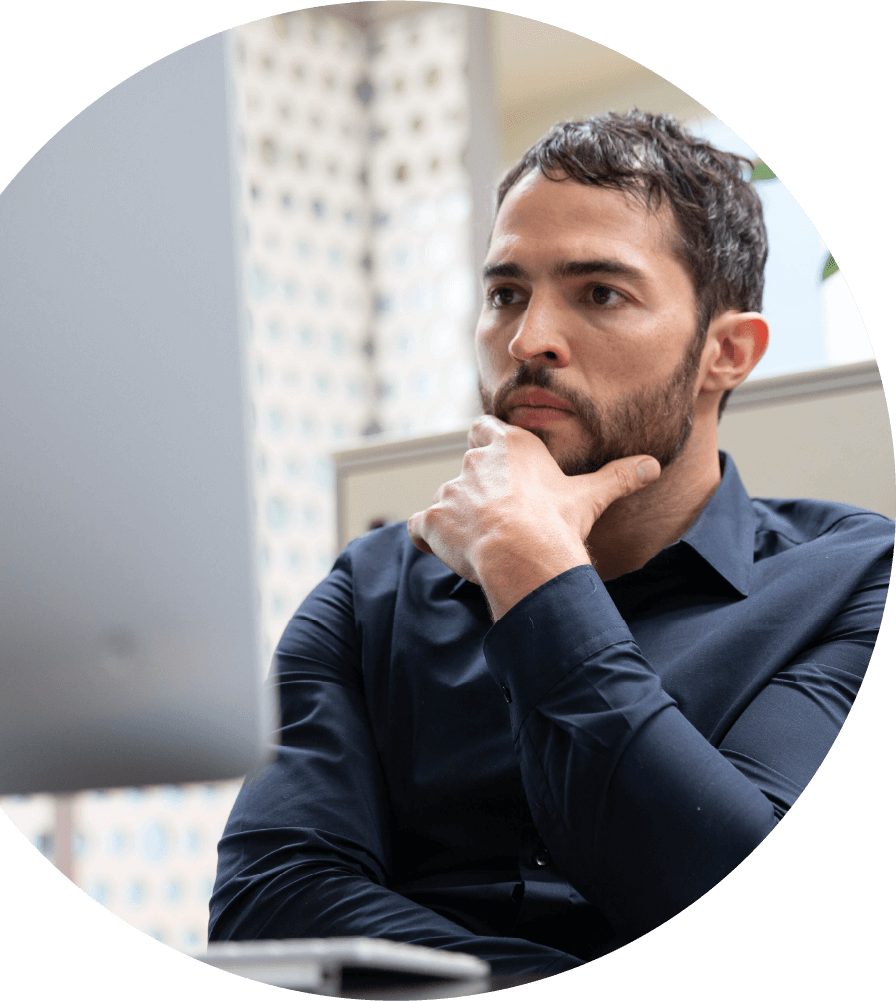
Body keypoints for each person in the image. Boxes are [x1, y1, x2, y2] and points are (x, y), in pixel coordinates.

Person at [208, 110, 891, 976]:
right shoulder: (370, 589)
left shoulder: (852, 583)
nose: (529, 340)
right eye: (505, 294)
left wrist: (535, 576)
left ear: (727, 351)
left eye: (600, 292)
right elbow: (269, 901)